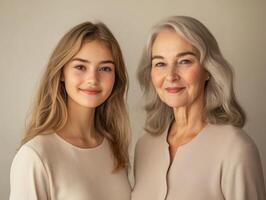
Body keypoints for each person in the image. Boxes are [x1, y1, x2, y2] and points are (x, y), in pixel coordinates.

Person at [132, 16, 266, 200]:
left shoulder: (236, 149)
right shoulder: (145, 146)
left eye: (184, 61)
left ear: (208, 70)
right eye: (160, 64)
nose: (170, 75)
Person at [9, 21, 131, 200]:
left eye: (105, 68)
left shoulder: (114, 148)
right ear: (61, 73)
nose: (93, 79)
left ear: (116, 78)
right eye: (80, 67)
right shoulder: (35, 156)